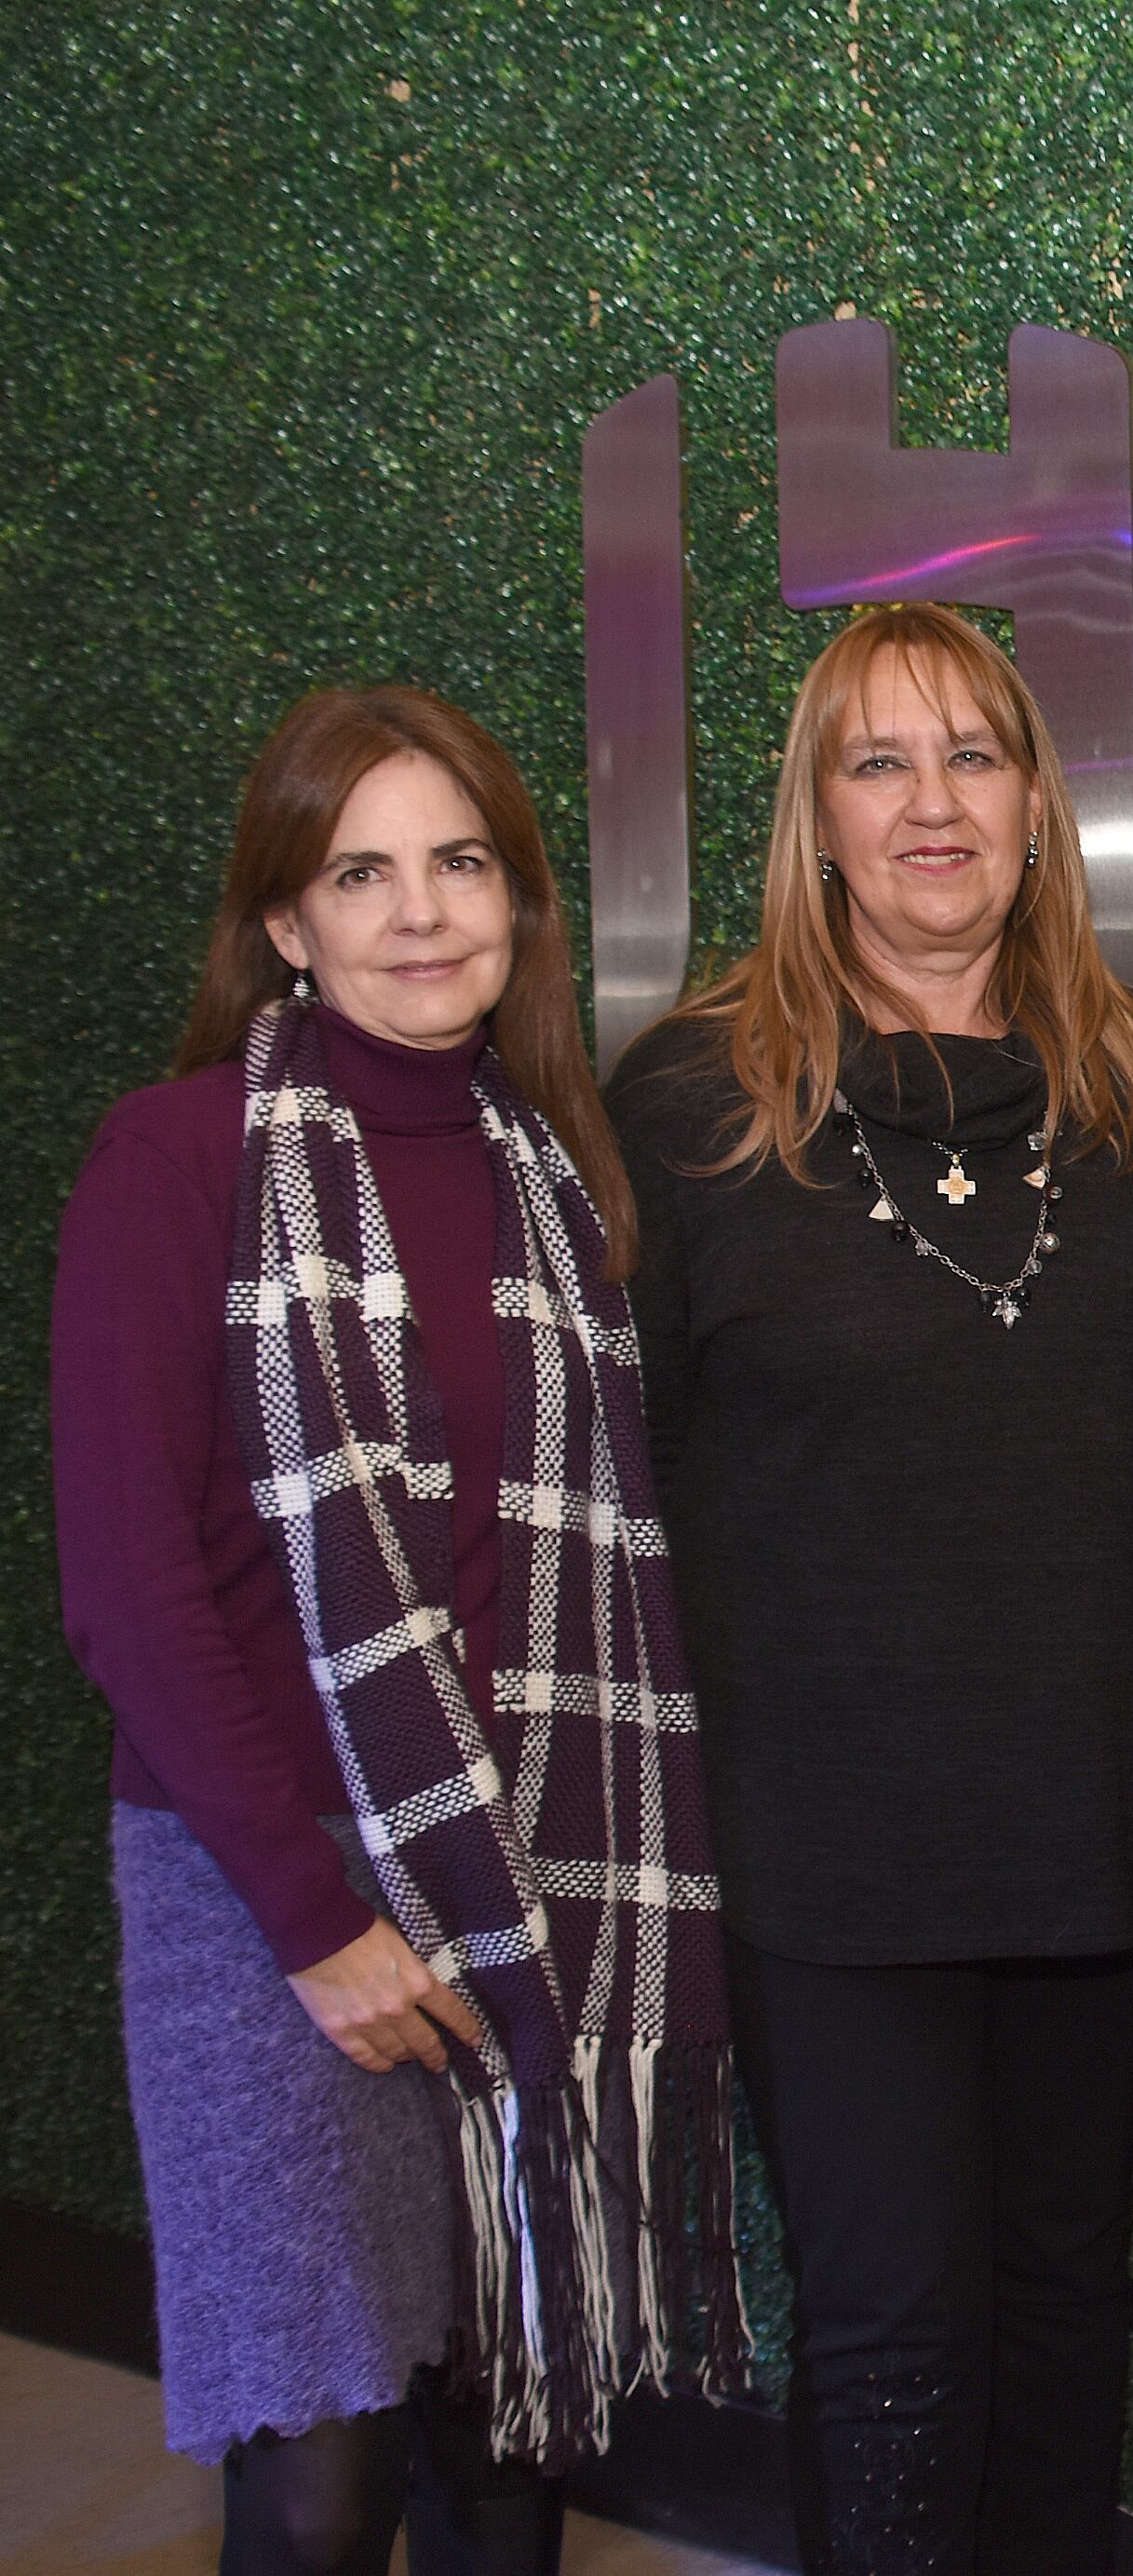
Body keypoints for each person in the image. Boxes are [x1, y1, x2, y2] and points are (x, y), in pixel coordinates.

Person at [55, 686, 744, 2573]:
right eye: (361, 871)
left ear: (517, 903)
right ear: (285, 920)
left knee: (506, 2443)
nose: (420, 911)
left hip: (521, 1878)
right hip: (259, 1899)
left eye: (459, 864)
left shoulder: (560, 1172)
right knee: (318, 2467)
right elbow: (127, 1591)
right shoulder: (178, 1158)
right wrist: (316, 1920)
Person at [606, 603, 1133, 2574]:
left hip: (1095, 1832)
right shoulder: (694, 1105)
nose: (932, 802)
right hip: (826, 1856)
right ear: (817, 821)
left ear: (1039, 808)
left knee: (1063, 2307)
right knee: (890, 2342)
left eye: (973, 754)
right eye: (880, 762)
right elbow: (639, 1486)